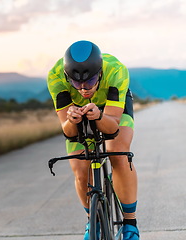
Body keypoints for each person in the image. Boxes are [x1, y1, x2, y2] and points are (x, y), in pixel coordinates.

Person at [47, 40, 139, 240]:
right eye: (76, 83)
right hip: (78, 114)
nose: (83, 89)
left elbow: (113, 125)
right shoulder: (55, 77)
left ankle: (130, 223)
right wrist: (72, 120)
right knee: (80, 170)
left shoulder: (116, 71)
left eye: (89, 82)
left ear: (100, 73)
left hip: (112, 110)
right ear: (67, 76)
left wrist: (99, 116)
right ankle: (92, 221)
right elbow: (68, 132)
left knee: (118, 154)